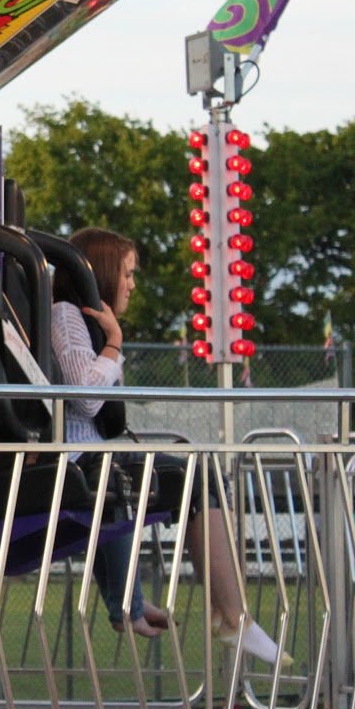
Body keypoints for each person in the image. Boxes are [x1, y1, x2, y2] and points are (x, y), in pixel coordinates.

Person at [53, 227, 290, 665]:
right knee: (191, 479)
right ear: (101, 273)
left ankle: (227, 613)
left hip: (92, 455)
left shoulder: (79, 320)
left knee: (200, 478)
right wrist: (114, 344)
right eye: (126, 274)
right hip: (77, 458)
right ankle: (231, 617)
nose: (131, 284)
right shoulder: (65, 316)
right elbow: (86, 398)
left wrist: (130, 604)